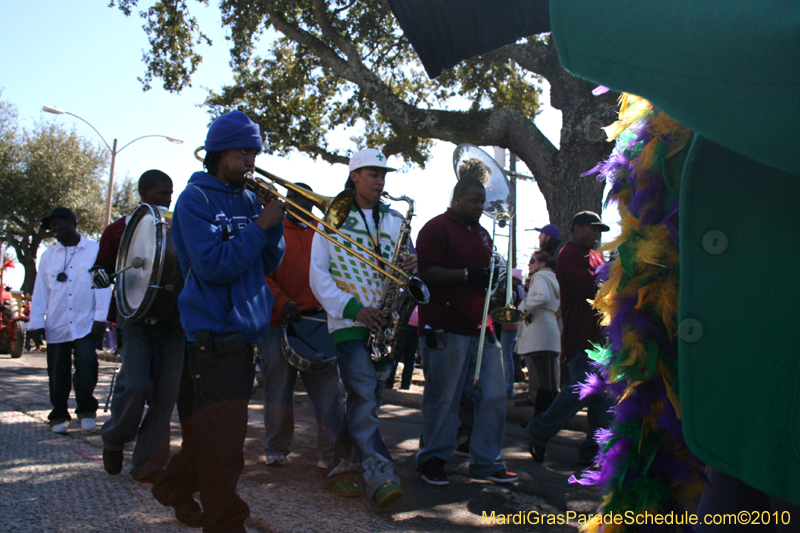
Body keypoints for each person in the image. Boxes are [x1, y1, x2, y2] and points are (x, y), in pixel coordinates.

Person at [149, 110, 286, 532]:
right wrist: (259, 226)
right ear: (218, 152)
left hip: (246, 332)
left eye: (255, 153)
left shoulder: (248, 199)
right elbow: (211, 266)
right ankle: (226, 521)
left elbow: (268, 261)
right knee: (226, 441)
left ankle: (172, 486)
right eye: (244, 152)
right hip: (212, 333)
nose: (252, 161)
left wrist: (273, 229)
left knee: (216, 433)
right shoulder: (194, 200)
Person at [309, 147, 415, 508]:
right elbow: (318, 276)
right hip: (350, 324)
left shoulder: (396, 219)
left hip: (385, 324)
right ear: (354, 176)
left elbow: (408, 275)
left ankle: (342, 464)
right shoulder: (331, 219)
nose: (380, 181)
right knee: (365, 397)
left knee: (368, 401)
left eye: (383, 175)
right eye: (372, 174)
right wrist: (354, 309)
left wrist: (410, 268)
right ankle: (380, 473)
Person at [415, 163, 518, 487]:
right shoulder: (435, 228)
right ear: (457, 199)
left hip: (480, 327)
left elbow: (485, 277)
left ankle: (487, 461)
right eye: (475, 201)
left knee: (494, 394)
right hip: (446, 325)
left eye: (482, 201)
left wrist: (492, 282)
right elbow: (425, 272)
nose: (481, 207)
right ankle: (432, 459)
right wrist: (466, 275)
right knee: (443, 398)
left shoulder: (484, 234)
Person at [258, 182, 356, 497]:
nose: (303, 203)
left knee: (329, 395)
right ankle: (276, 449)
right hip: (278, 322)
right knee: (278, 391)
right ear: (287, 202)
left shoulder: (324, 231)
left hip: (317, 323)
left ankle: (330, 456)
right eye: (296, 198)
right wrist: (281, 301)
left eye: (308, 199)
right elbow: (260, 273)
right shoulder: (274, 229)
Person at [90, 170, 186, 483]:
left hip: (173, 321)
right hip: (134, 320)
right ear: (144, 194)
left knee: (166, 395)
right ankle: (115, 438)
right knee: (135, 384)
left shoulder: (181, 226)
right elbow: (99, 270)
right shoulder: (119, 229)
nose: (168, 198)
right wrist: (101, 276)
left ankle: (148, 463)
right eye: (162, 193)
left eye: (171, 192)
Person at [527, 211, 612, 466]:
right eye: (592, 229)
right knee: (581, 391)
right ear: (576, 228)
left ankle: (592, 452)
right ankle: (539, 430)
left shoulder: (596, 255)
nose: (597, 234)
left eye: (599, 231)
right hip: (582, 338)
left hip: (602, 339)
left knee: (602, 398)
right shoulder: (568, 254)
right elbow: (593, 287)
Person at [27, 207, 112, 434]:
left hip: (86, 322)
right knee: (57, 370)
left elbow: (103, 284)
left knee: (86, 363)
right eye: (51, 226)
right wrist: (37, 323)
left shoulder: (95, 249)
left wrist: (100, 318)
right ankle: (59, 414)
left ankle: (85, 411)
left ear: (72, 223)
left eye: (57, 224)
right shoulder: (48, 256)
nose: (53, 229)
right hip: (58, 323)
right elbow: (41, 291)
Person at [514, 251, 561, 414]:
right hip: (550, 327)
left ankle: (541, 417)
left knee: (542, 379)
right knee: (550, 379)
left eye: (533, 261)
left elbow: (542, 297)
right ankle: (550, 414)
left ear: (543, 264)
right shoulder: (553, 277)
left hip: (539, 330)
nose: (529, 264)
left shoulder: (540, 277)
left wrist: (524, 306)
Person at [499, 268, 524, 399]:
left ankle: (508, 389)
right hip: (511, 325)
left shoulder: (512, 290)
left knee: (506, 356)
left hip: (507, 325)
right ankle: (507, 388)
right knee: (507, 355)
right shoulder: (518, 290)